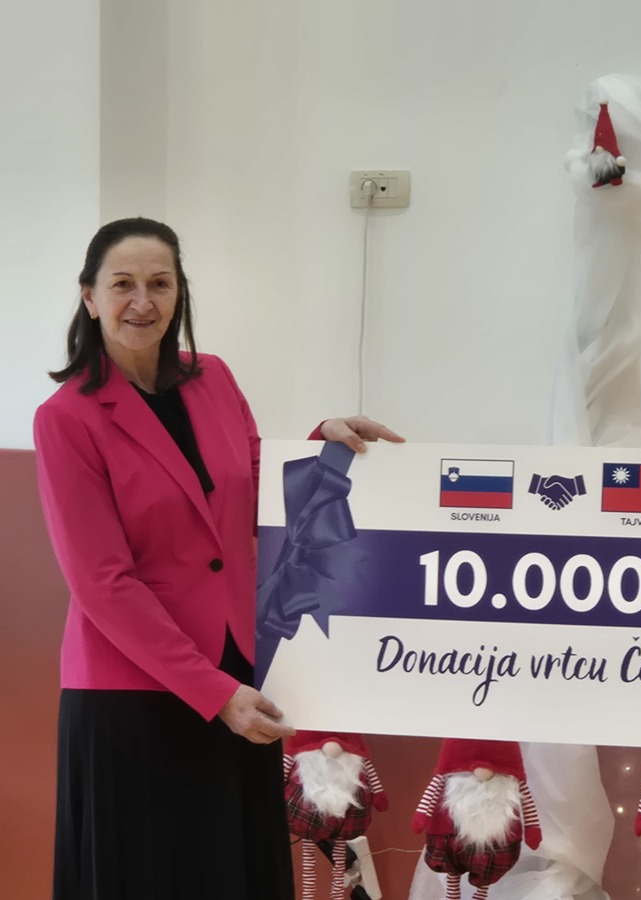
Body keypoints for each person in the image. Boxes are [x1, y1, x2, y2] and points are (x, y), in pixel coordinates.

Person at [33, 217, 403, 900]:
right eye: (122, 284)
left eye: (159, 283)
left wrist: (323, 444)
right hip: (135, 693)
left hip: (237, 670)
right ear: (89, 296)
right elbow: (102, 583)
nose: (142, 301)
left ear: (179, 293)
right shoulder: (66, 417)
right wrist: (214, 692)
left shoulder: (215, 379)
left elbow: (259, 490)